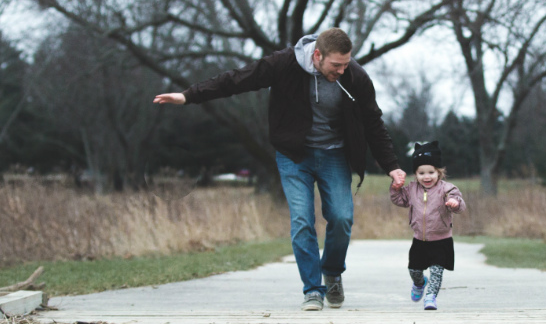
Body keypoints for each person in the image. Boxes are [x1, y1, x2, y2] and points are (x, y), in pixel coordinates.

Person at [153, 28, 406, 311]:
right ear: (317, 55)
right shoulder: (284, 63)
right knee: (302, 221)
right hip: (293, 155)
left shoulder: (355, 76)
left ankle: (332, 271)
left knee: (342, 218)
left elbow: (373, 122)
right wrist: (188, 96)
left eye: (346, 63)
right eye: (336, 65)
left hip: (334, 154)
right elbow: (238, 79)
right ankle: (313, 289)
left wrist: (392, 167)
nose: (342, 70)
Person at [389, 141, 466, 310]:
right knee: (414, 270)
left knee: (437, 272)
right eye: (421, 173)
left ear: (439, 172)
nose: (427, 177)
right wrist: (395, 189)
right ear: (415, 174)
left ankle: (430, 297)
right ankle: (420, 283)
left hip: (441, 240)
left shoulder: (447, 189)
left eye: (431, 172)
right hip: (419, 240)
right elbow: (399, 200)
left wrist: (455, 202)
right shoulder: (411, 189)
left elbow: (460, 204)